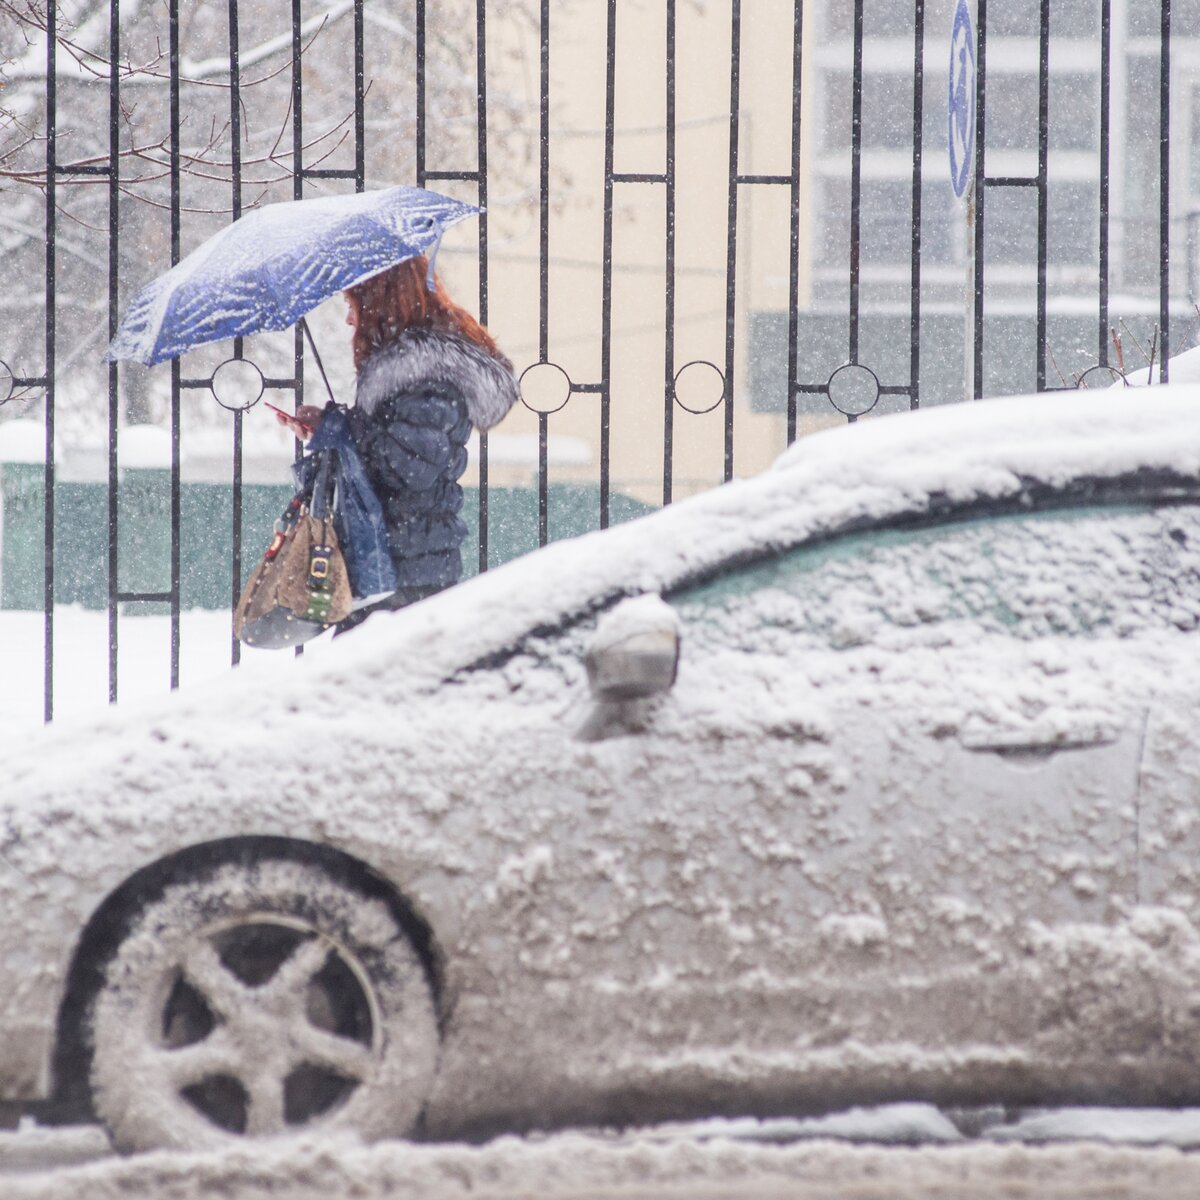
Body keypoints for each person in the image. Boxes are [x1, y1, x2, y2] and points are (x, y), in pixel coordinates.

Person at [276, 256, 518, 632]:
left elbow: (409, 467)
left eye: (352, 305)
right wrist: (329, 426)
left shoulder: (427, 373)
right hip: (393, 564)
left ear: (380, 300)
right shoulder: (406, 371)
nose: (349, 320)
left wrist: (340, 430)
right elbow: (392, 447)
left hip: (407, 572)